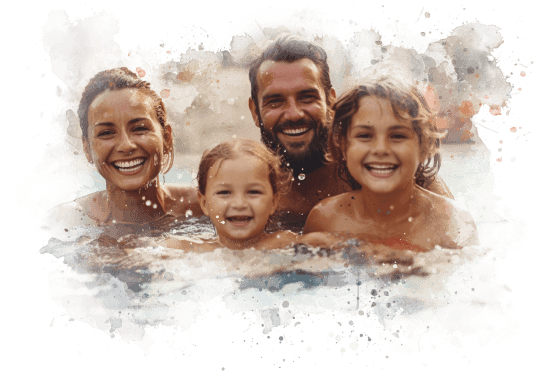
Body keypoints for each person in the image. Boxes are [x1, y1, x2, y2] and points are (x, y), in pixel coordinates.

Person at [247, 33, 454, 229]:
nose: (294, 114)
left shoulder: (395, 174)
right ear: (255, 111)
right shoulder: (242, 191)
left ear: (330, 101)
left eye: (307, 97)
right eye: (275, 101)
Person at [303, 66, 480, 250]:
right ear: (343, 145)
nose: (381, 149)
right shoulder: (325, 220)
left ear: (424, 145)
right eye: (364, 136)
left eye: (397, 136)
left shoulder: (454, 223)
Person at [160, 139, 415, 264]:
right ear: (203, 203)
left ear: (274, 202)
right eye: (224, 193)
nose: (239, 203)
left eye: (254, 192)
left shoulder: (285, 244)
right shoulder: (186, 249)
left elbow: (349, 248)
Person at [39, 66, 202, 238]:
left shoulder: (206, 208)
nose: (126, 145)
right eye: (106, 133)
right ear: (87, 148)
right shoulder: (65, 224)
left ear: (167, 138)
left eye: (139, 128)